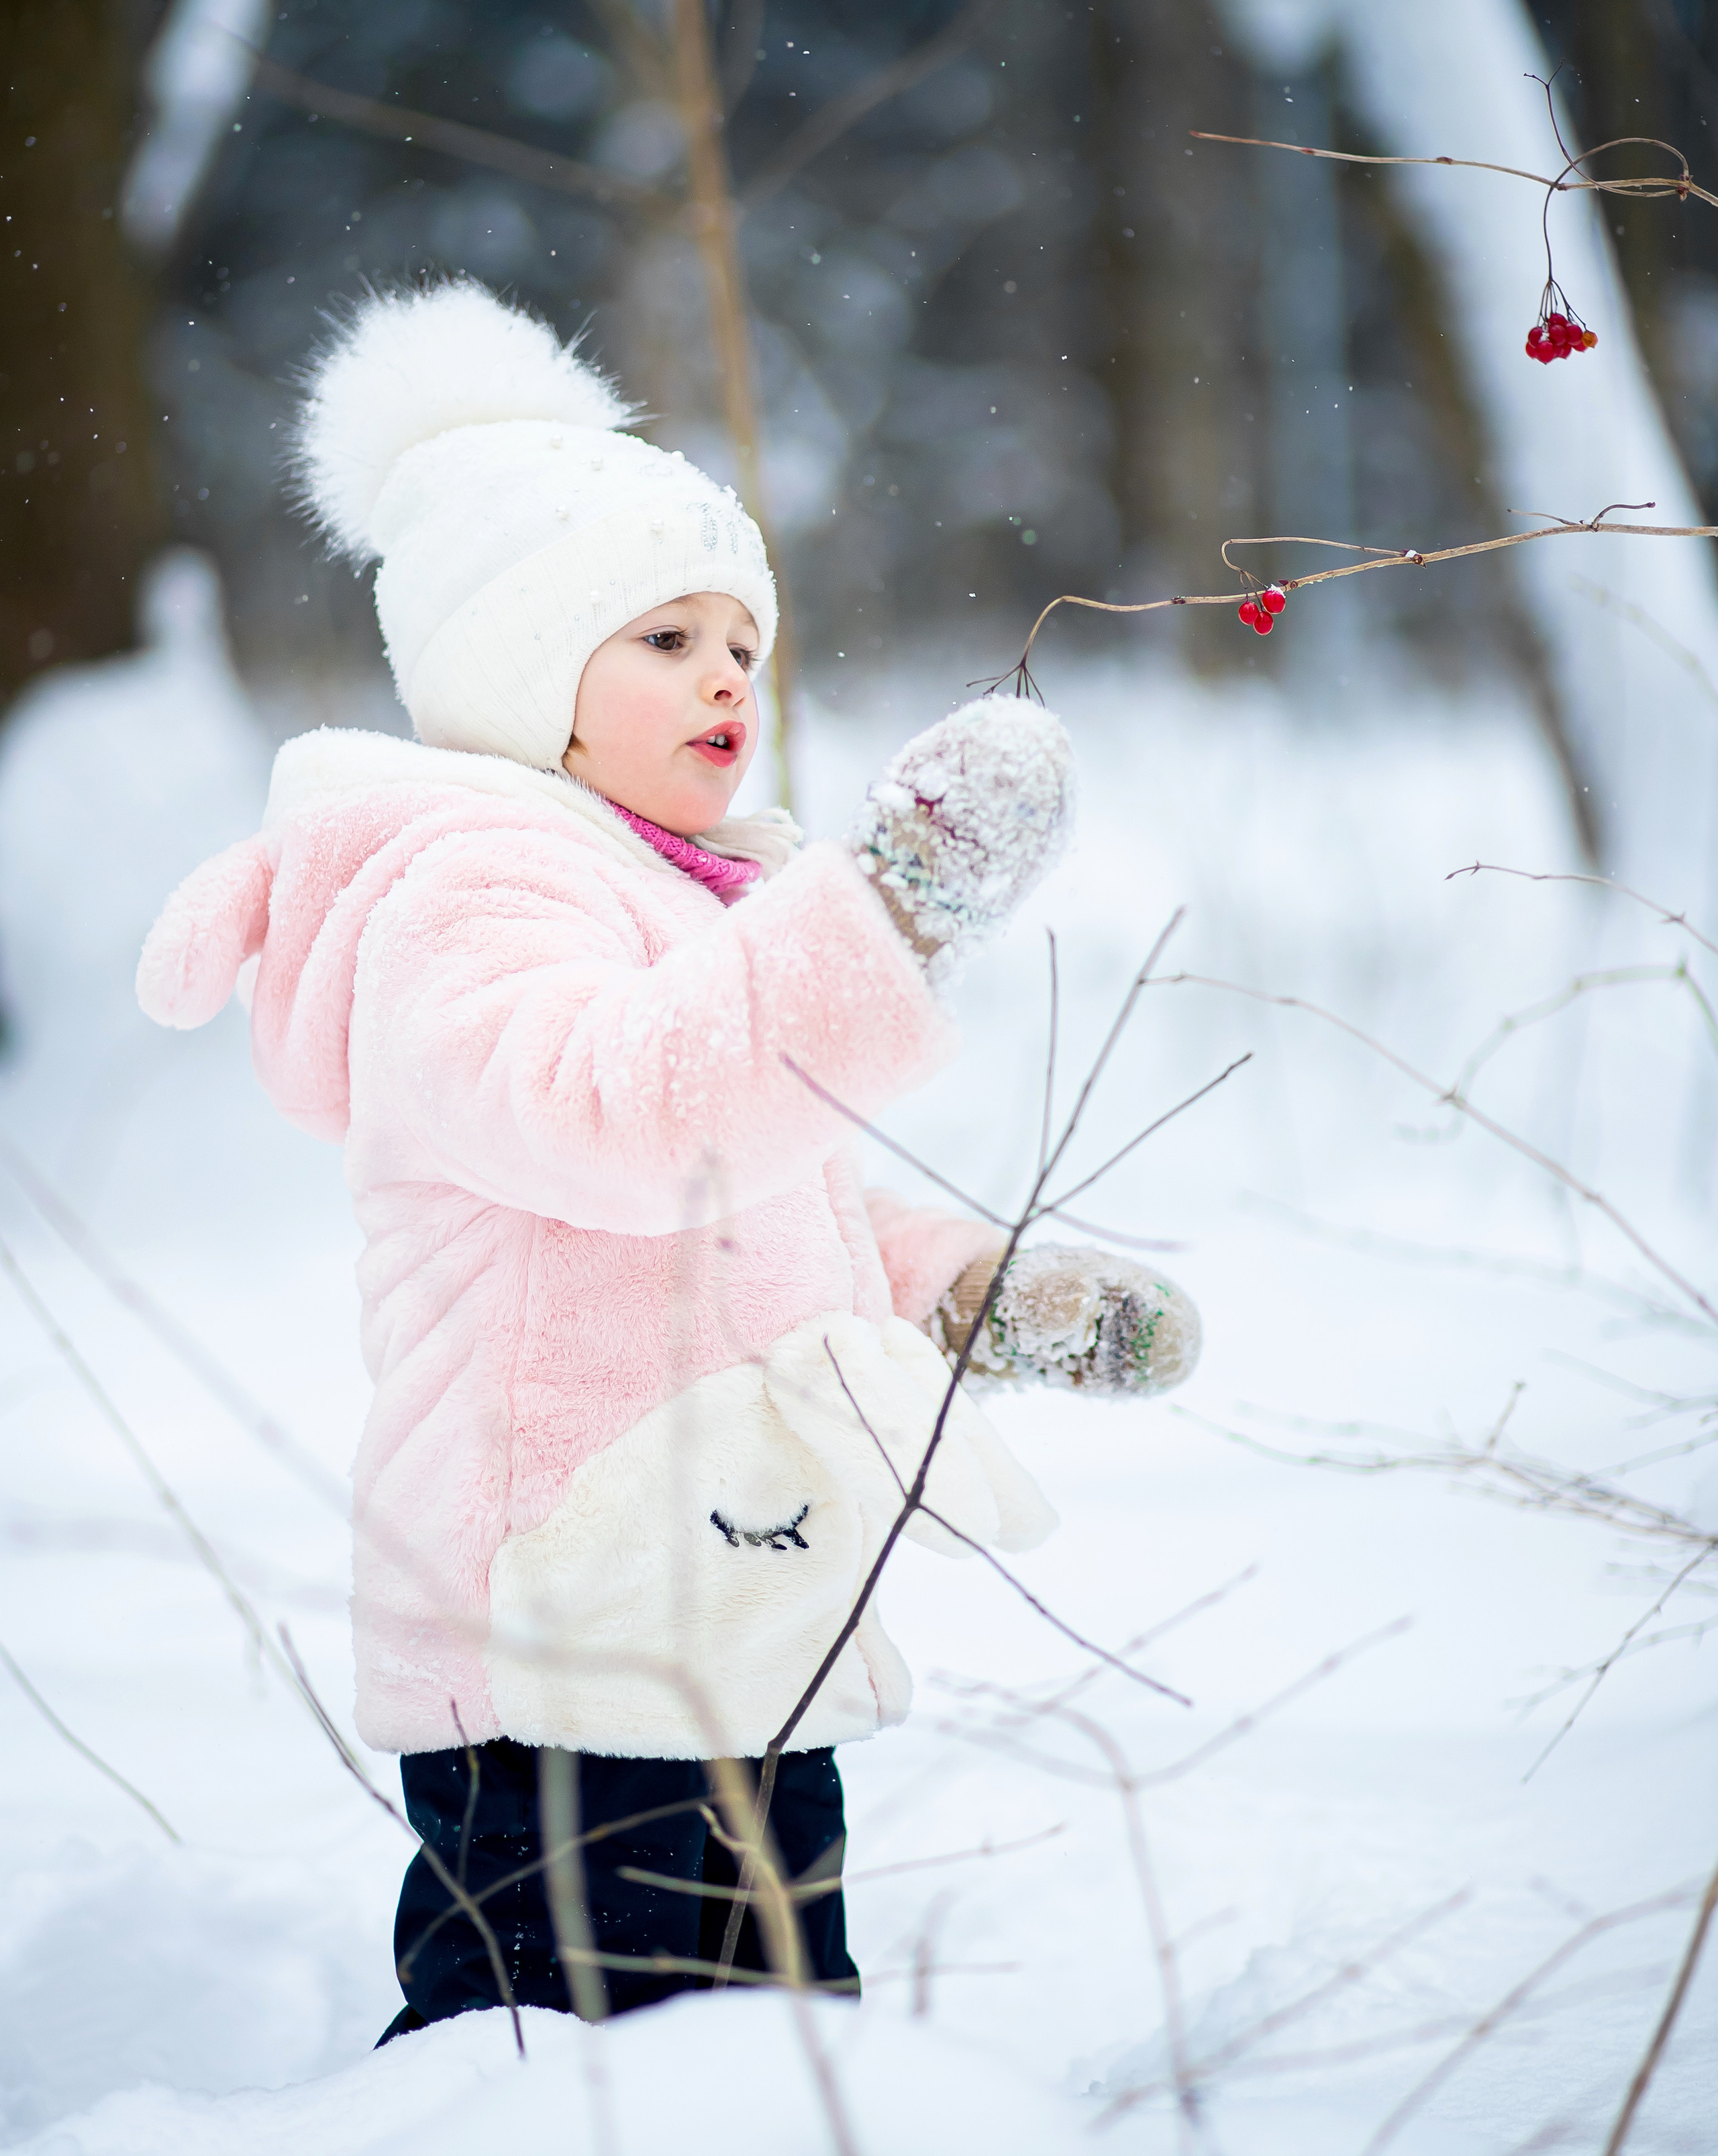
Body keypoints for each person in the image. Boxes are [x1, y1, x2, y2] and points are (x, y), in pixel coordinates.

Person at [137, 280, 1201, 2038]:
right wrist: (883, 919)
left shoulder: (674, 896)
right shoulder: (465, 898)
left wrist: (961, 1300)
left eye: (741, 641)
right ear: (518, 676)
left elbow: (762, 1207)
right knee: (566, 2059)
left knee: (774, 2041)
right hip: (563, 1629)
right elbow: (622, 1120)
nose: (726, 674)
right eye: (661, 638)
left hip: (732, 1608)